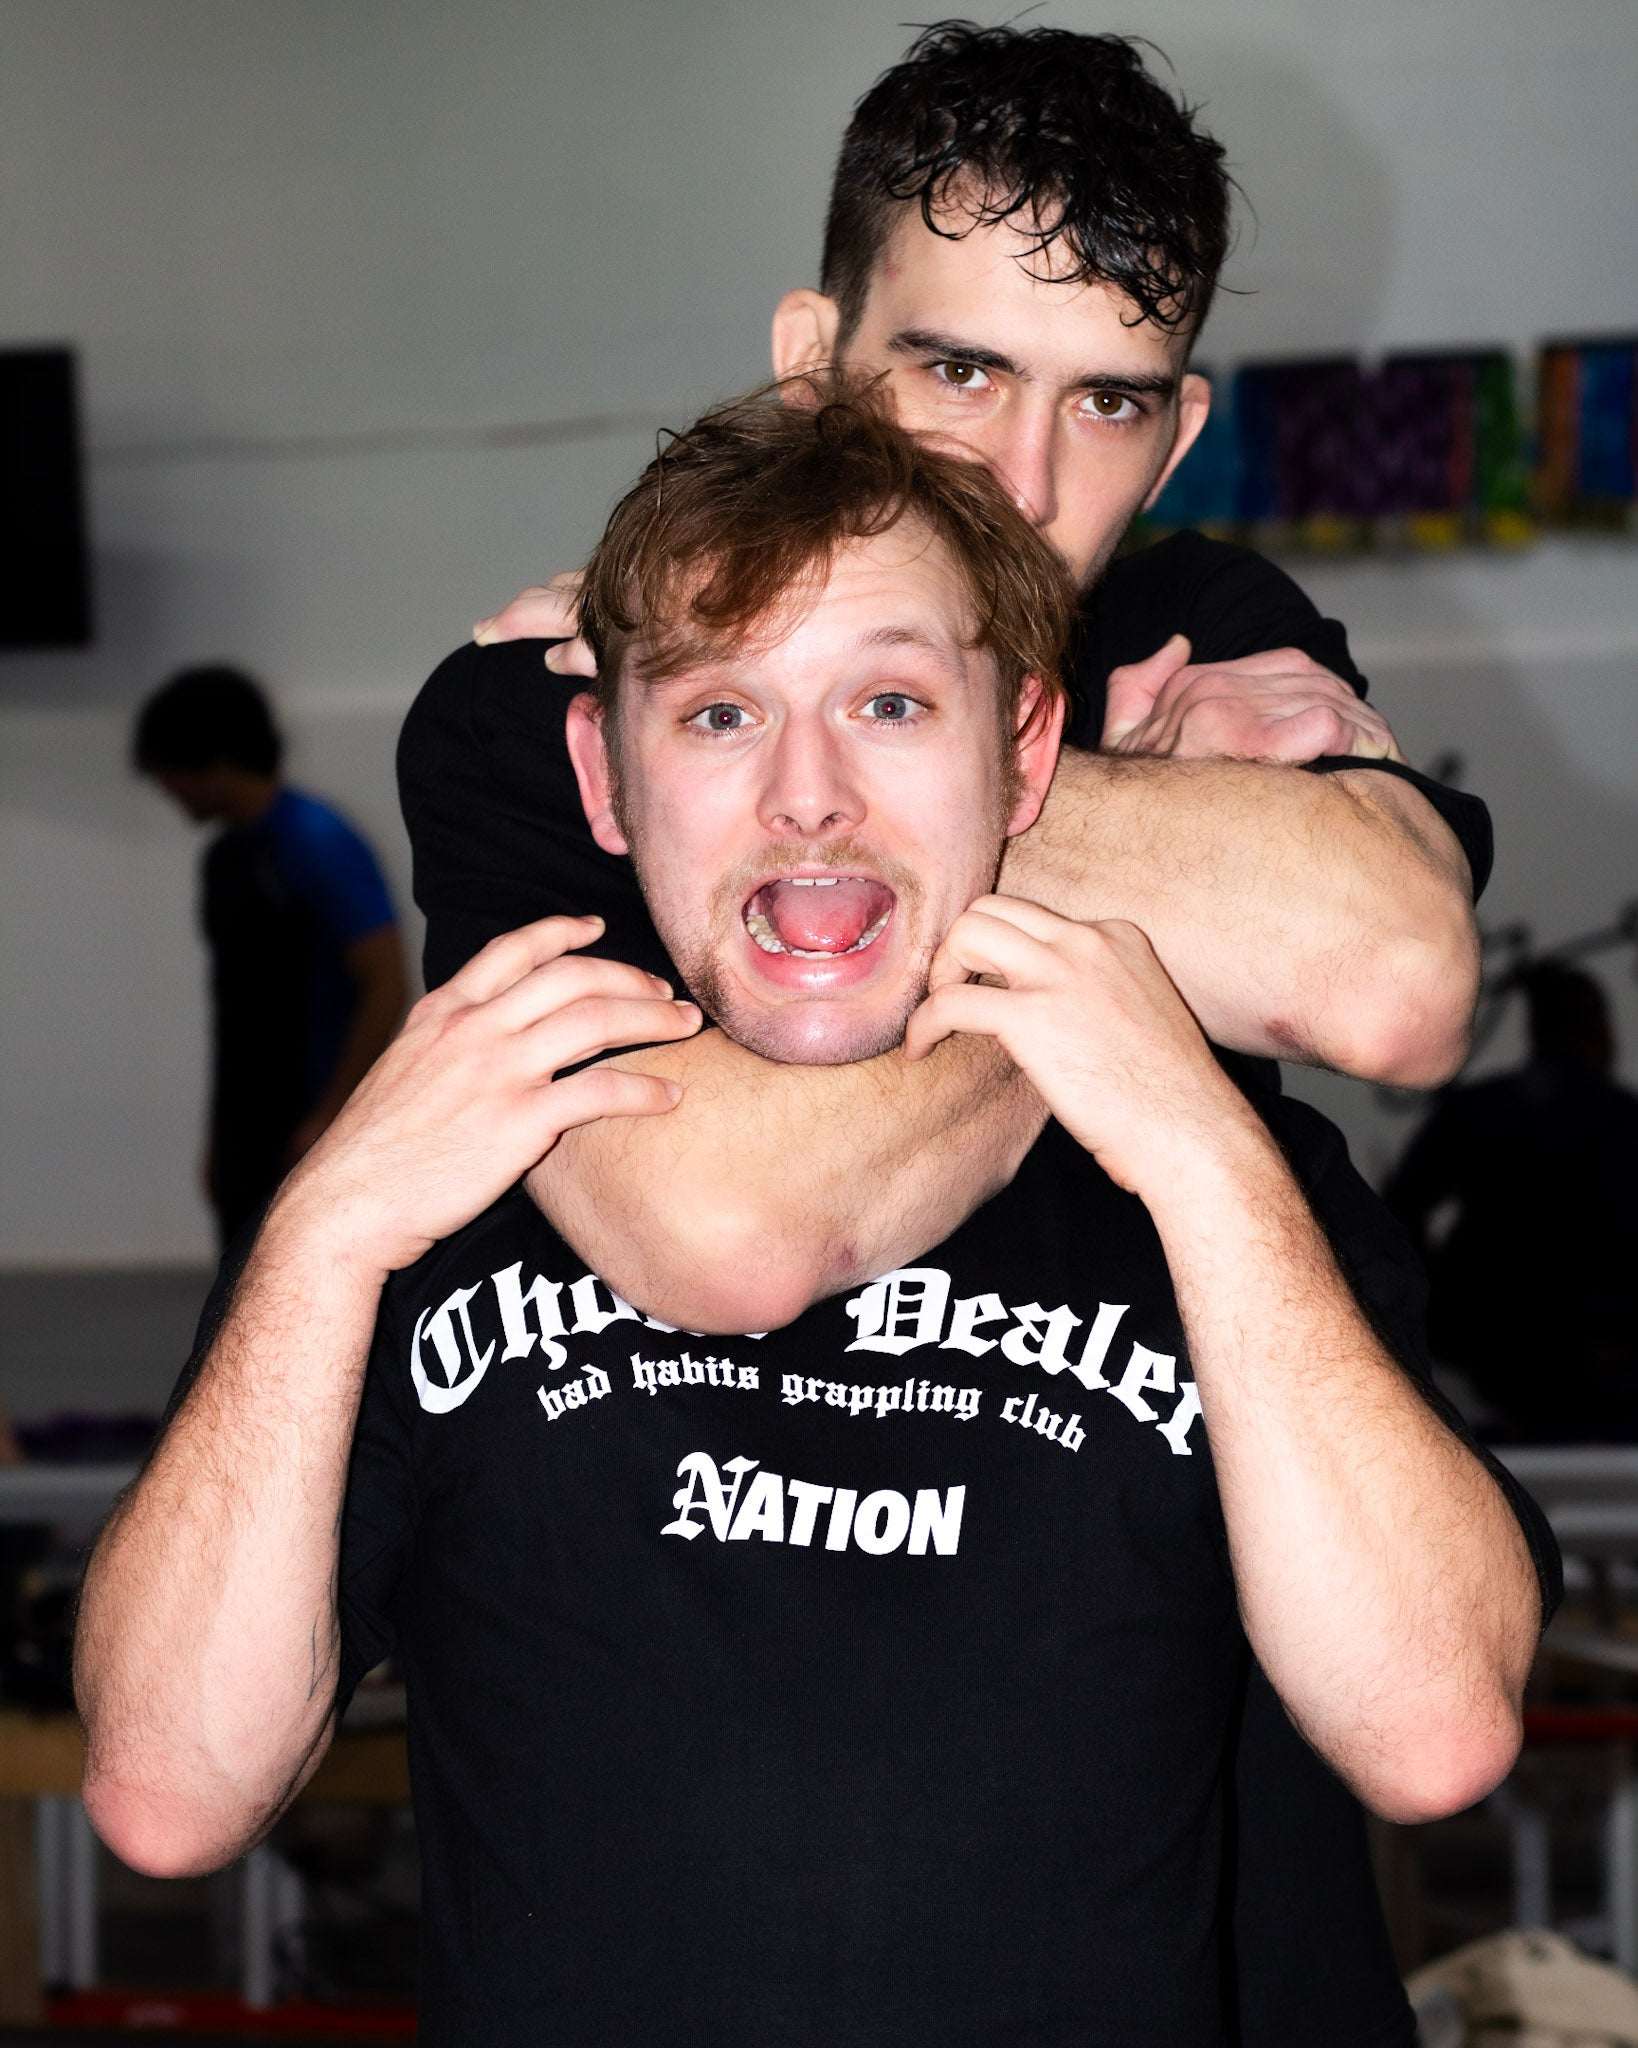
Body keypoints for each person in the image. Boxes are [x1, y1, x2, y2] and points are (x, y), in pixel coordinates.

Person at [78, 389, 1555, 2044]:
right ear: (599, 772)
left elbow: (1431, 1729)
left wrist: (1206, 1164)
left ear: (1019, 755)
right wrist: (322, 1228)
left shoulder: (1217, 1170)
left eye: (889, 701)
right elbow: (164, 1790)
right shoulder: (455, 1181)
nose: (807, 795)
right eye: (719, 714)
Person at [399, 27, 1525, 2042]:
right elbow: (721, 1227)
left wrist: (862, 758)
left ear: (1173, 439)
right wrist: (1112, 837)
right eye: (958, 370)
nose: (1015, 475)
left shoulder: (1210, 602)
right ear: (814, 355)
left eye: (1101, 402)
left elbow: (1395, 979)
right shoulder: (538, 701)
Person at [133, 665, 408, 1244]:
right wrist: (221, 1137)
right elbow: (234, 1011)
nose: (166, 788)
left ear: (215, 761)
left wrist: (332, 1114)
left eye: (171, 772)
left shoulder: (317, 841)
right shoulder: (224, 858)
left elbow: (385, 981)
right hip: (251, 1129)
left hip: (311, 1119)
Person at [1387, 962, 1638, 1441]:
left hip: (1493, 1354)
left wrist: (1439, 1303)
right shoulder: (1622, 1120)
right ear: (1593, 1028)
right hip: (1600, 1358)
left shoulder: (1479, 1109)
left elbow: (1398, 1213)